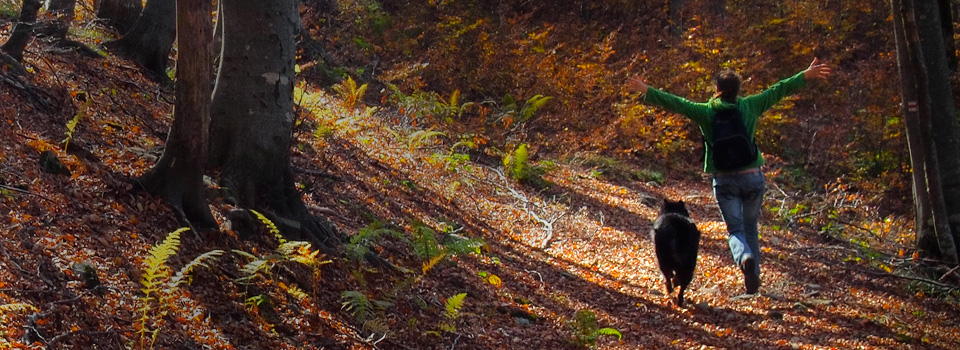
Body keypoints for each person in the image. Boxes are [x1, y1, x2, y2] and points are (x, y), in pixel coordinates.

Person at [625, 59, 831, 294]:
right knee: (751, 227)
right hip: (753, 177)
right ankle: (753, 276)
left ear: (717, 90)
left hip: (724, 181)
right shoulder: (751, 106)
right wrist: (805, 74)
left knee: (736, 230)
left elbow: (677, 103)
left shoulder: (705, 112)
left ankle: (744, 258)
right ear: (738, 89)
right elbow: (778, 90)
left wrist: (647, 90)